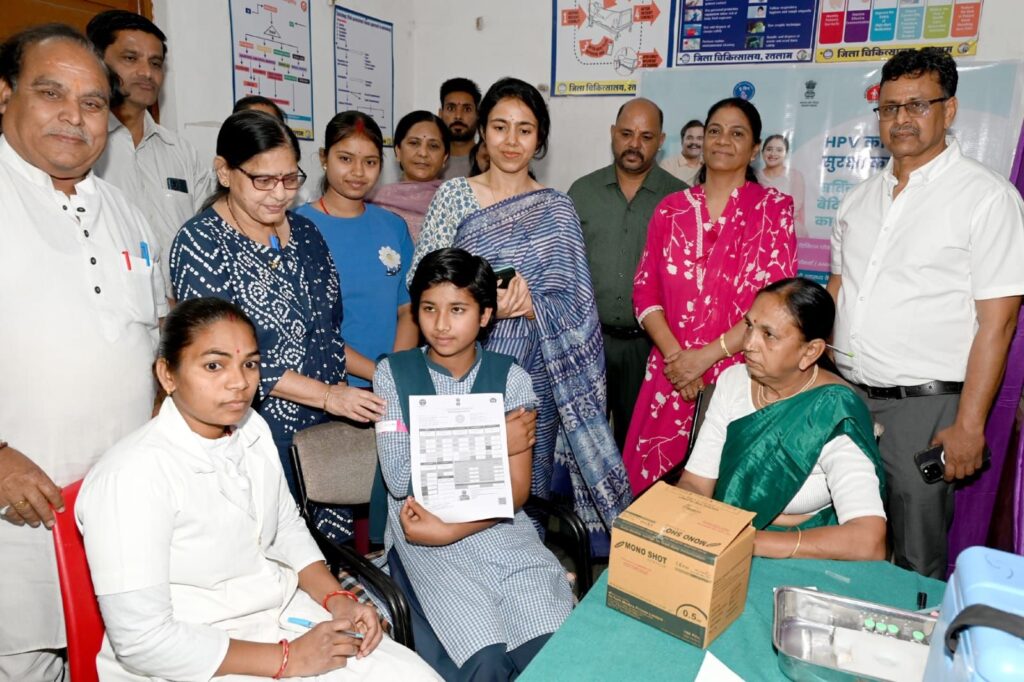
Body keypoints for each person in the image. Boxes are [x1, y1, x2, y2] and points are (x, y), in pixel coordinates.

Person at [76, 297, 440, 682]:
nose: (239, 382)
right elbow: (143, 641)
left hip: (280, 617)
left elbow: (286, 528)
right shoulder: (131, 476)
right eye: (214, 365)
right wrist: (288, 659)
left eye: (249, 364)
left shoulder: (251, 427)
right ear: (168, 375)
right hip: (194, 652)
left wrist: (338, 599)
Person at [0, 23, 165, 681]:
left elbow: (150, 338)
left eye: (93, 102)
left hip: (114, 522)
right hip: (16, 524)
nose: (74, 115)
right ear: (5, 94)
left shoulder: (125, 211)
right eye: (51, 93)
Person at [410, 77, 632, 554]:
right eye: (500, 127)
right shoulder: (454, 196)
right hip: (460, 369)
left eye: (524, 130)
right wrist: (482, 301)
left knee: (524, 487)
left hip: (535, 378)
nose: (511, 141)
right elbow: (421, 284)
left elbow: (578, 305)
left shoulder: (557, 209)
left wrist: (533, 305)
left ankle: (524, 568)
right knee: (459, 481)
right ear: (482, 132)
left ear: (540, 138)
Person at [827, 48, 1024, 578]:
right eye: (890, 108)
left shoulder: (987, 198)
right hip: (848, 399)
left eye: (917, 105)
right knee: (843, 542)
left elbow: (999, 323)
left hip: (926, 410)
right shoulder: (858, 200)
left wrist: (969, 426)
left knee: (914, 562)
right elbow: (838, 291)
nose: (901, 119)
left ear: (949, 109)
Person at [374, 249, 573, 680]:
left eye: (458, 310)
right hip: (422, 536)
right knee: (486, 657)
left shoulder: (512, 378)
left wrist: (452, 528)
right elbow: (401, 478)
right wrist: (494, 439)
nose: (441, 324)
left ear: (485, 315)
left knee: (549, 643)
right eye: (429, 308)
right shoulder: (392, 374)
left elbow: (516, 491)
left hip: (498, 529)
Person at [170, 110, 386, 505]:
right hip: (253, 432)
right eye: (263, 180)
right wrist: (327, 395)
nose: (280, 193)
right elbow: (223, 359)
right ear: (224, 172)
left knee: (327, 538)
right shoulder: (201, 243)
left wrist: (385, 376)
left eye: (289, 179)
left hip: (328, 430)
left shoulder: (306, 233)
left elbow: (326, 338)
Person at [623, 96, 797, 495]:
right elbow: (644, 291)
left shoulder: (773, 210)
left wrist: (705, 357)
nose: (722, 141)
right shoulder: (671, 209)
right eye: (715, 131)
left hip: (740, 372)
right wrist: (678, 359)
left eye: (737, 134)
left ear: (754, 148)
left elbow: (774, 307)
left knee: (724, 495)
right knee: (654, 495)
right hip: (670, 372)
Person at [678, 280, 886, 560]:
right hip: (723, 536)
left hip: (807, 555)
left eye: (768, 335)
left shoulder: (834, 410)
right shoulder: (733, 382)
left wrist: (748, 542)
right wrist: (684, 525)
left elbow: (868, 541)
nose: (748, 344)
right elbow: (695, 485)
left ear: (810, 352)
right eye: (749, 326)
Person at [568, 98, 687, 449]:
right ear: (612, 133)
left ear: (661, 140)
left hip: (649, 348)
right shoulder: (582, 192)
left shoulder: (679, 199)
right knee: (585, 445)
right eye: (626, 134)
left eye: (646, 137)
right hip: (590, 342)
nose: (634, 144)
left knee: (638, 447)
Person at [87, 10, 213, 295]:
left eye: (155, 63)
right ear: (97, 62)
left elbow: (207, 236)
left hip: (181, 312)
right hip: (112, 310)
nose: (146, 72)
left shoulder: (181, 152)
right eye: (130, 58)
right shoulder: (79, 148)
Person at [296, 112, 417, 390]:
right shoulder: (298, 228)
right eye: (345, 159)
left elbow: (408, 308)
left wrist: (394, 370)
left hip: (392, 381)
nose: (358, 172)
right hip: (327, 386)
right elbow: (309, 326)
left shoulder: (393, 226)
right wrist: (379, 374)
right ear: (324, 158)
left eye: (370, 162)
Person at [367, 110, 450, 241]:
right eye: (414, 143)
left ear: (445, 157)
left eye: (433, 146)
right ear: (398, 151)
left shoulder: (455, 202)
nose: (423, 153)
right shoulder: (374, 202)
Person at [757, 134, 807, 237]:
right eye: (769, 149)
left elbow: (795, 206)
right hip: (758, 227)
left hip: (788, 227)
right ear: (762, 152)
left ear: (786, 154)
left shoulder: (794, 176)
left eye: (779, 150)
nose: (773, 153)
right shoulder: (755, 176)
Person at [438, 77, 480, 180]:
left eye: (467, 109)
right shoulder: (428, 162)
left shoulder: (489, 162)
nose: (458, 116)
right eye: (451, 108)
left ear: (478, 115)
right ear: (440, 114)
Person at [659, 119, 703, 185]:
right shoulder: (668, 165)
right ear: (682, 141)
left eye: (699, 138)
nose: (694, 142)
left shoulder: (709, 164)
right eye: (689, 138)